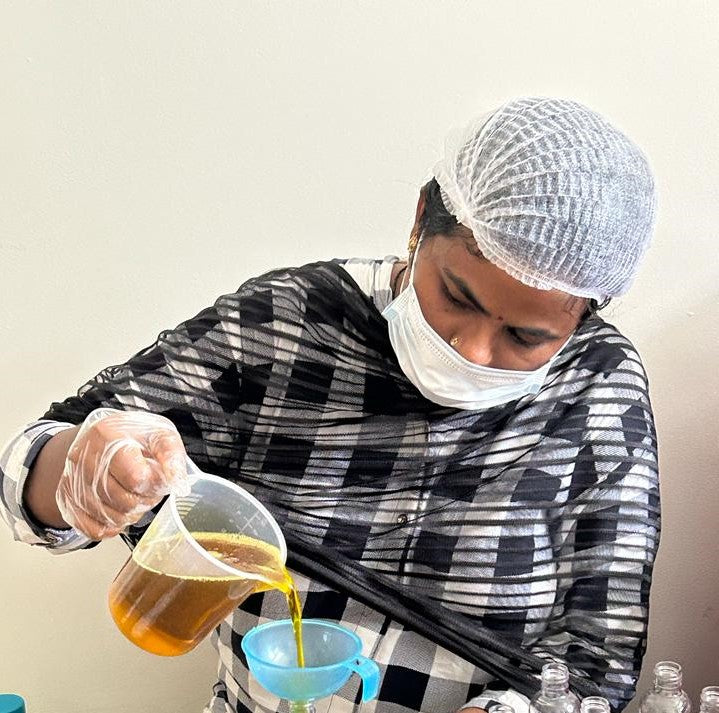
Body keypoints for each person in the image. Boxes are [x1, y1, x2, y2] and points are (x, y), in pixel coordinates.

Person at [0, 96, 660, 713]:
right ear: (417, 221)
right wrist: (83, 464)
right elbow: (33, 465)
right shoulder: (285, 324)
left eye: (524, 336)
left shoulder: (598, 385)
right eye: (455, 296)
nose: (472, 349)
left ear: (582, 316)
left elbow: (598, 651)